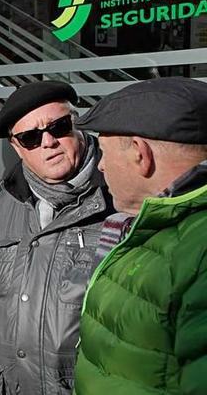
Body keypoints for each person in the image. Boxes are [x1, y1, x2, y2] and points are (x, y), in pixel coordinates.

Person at [0, 81, 113, 394]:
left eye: (58, 127)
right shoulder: (4, 205)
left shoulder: (118, 199)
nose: (48, 142)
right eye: (30, 137)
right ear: (17, 148)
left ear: (77, 124)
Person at [73, 77, 207, 394]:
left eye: (104, 152)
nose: (100, 167)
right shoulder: (152, 226)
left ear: (139, 153)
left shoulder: (198, 252)